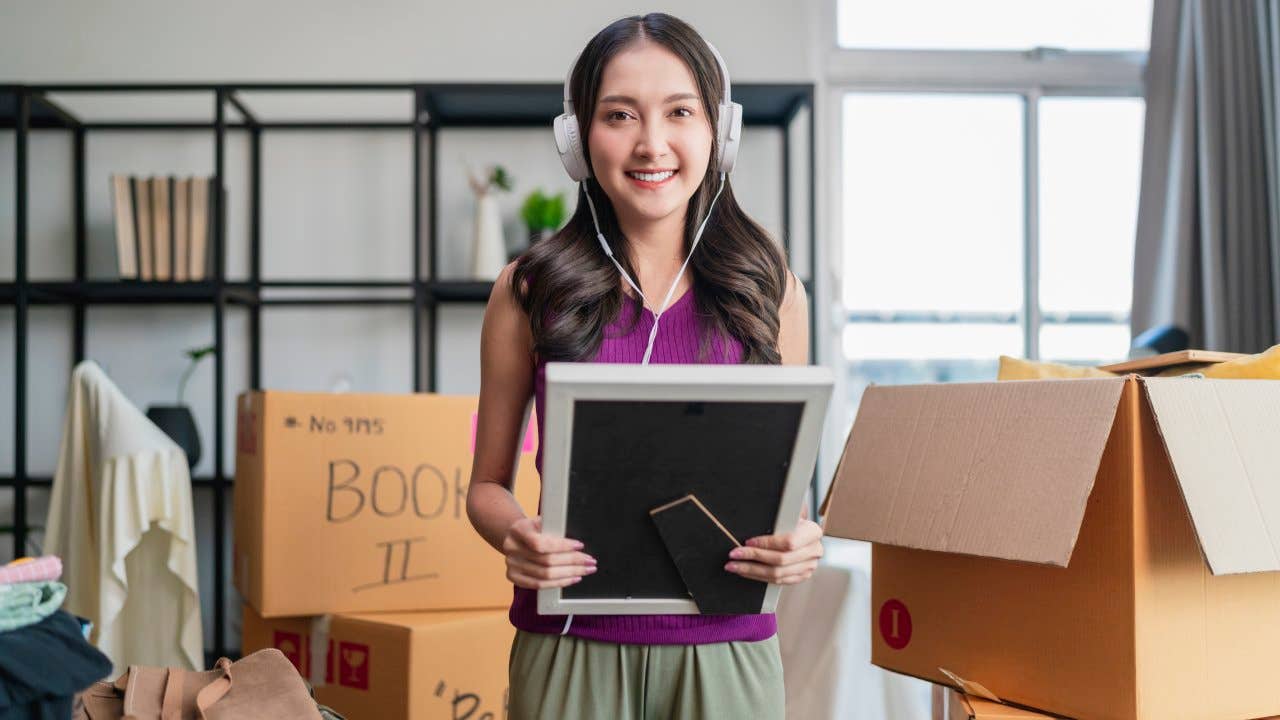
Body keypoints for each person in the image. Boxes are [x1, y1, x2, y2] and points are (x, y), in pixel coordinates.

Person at [465, 12, 822, 719]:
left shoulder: (770, 285)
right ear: (577, 139)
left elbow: (789, 491)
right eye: (619, 115)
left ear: (720, 131)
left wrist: (801, 540)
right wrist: (516, 536)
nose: (651, 144)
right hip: (571, 648)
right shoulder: (527, 289)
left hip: (729, 650)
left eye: (680, 112)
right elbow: (485, 485)